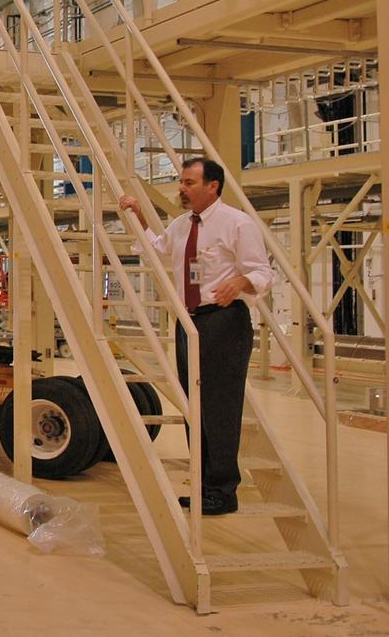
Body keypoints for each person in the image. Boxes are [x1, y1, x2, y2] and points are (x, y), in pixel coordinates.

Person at [119, 157, 273, 516]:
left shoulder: (237, 223)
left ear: (212, 186)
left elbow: (262, 271)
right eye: (181, 182)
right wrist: (139, 216)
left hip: (223, 321)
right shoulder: (181, 225)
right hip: (189, 321)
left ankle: (223, 489)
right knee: (194, 405)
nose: (182, 189)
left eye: (189, 183)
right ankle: (204, 485)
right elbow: (159, 249)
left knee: (219, 408)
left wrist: (242, 281)